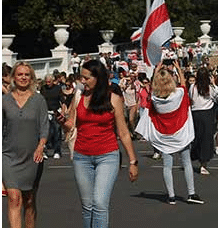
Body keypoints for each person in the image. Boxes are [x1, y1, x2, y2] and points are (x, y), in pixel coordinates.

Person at [57, 59, 139, 227]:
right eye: (81, 77)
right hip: (82, 156)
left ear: (98, 78)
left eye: (86, 78)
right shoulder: (78, 97)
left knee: (100, 204)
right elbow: (71, 125)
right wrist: (62, 121)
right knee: (88, 206)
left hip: (107, 156)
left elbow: (123, 132)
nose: (82, 81)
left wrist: (133, 161)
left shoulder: (114, 98)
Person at [136, 61, 203, 205]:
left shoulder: (154, 98)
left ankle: (171, 196)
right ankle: (191, 193)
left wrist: (156, 70)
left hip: (164, 135)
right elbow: (184, 85)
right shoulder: (178, 93)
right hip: (180, 133)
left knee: (167, 166)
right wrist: (178, 69)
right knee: (187, 163)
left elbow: (152, 90)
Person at [3, 62, 48, 228]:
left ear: (31, 78)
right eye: (20, 74)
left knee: (29, 200)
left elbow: (44, 126)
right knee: (14, 198)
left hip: (32, 156)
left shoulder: (38, 100)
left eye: (26, 75)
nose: (23, 77)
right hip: (8, 156)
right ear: (14, 77)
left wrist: (41, 146)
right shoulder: (5, 101)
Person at [189, 66, 218, 175]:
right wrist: (214, 83)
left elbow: (191, 99)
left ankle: (198, 157)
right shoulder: (209, 88)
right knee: (206, 139)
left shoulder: (193, 87)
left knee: (198, 137)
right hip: (206, 114)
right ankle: (203, 164)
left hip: (196, 114)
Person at [39, 74, 64, 159]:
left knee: (57, 132)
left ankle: (57, 151)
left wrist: (63, 111)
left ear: (52, 81)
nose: (48, 83)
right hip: (46, 112)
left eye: (49, 82)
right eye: (46, 82)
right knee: (46, 133)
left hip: (55, 112)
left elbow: (62, 100)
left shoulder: (57, 88)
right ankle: (44, 150)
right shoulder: (43, 88)